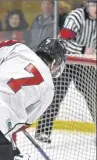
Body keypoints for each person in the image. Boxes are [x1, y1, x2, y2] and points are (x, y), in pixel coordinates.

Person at [35, 0, 97, 143]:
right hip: (66, 61)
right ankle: (43, 131)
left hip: (85, 64)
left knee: (94, 95)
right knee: (55, 96)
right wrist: (83, 50)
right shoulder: (75, 16)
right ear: (88, 5)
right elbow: (63, 41)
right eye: (94, 5)